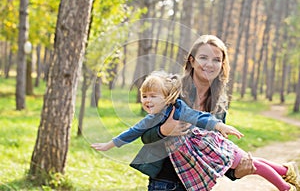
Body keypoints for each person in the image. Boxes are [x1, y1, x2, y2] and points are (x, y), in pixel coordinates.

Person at [139, 35, 300, 191]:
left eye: (216, 59)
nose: (209, 64)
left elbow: (218, 150)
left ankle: (287, 174)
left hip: (198, 184)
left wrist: (236, 173)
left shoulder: (219, 104)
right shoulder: (172, 90)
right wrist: (163, 131)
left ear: (222, 64)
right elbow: (146, 136)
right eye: (203, 57)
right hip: (165, 183)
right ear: (192, 60)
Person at [91, 71, 299, 191]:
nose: (146, 101)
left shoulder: (179, 109)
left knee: (254, 165)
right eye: (144, 96)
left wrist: (221, 126)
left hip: (212, 147)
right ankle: (286, 170)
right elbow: (133, 132)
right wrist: (109, 144)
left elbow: (201, 117)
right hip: (191, 161)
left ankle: (285, 186)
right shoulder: (151, 119)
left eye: (152, 96)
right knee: (256, 163)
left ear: (168, 97)